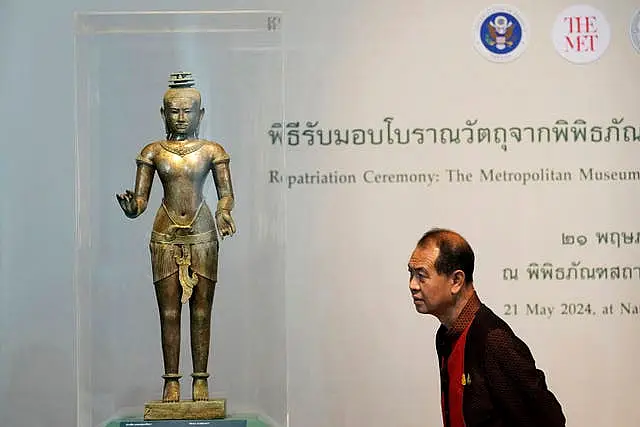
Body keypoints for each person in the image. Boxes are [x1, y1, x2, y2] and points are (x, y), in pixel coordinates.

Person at [116, 72, 236, 403]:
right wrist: (132, 207)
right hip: (165, 234)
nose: (181, 118)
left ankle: (200, 380)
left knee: (201, 311)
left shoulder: (211, 151)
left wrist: (224, 211)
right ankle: (171, 381)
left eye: (188, 111)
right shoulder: (153, 152)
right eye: (174, 111)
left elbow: (225, 194)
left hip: (202, 233)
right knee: (168, 312)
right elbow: (141, 201)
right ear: (162, 113)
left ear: (201, 113)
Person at [407, 228, 566, 427]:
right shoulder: (445, 334)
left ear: (456, 281)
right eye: (411, 274)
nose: (413, 285)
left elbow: (549, 421)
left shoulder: (493, 341)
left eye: (421, 276)